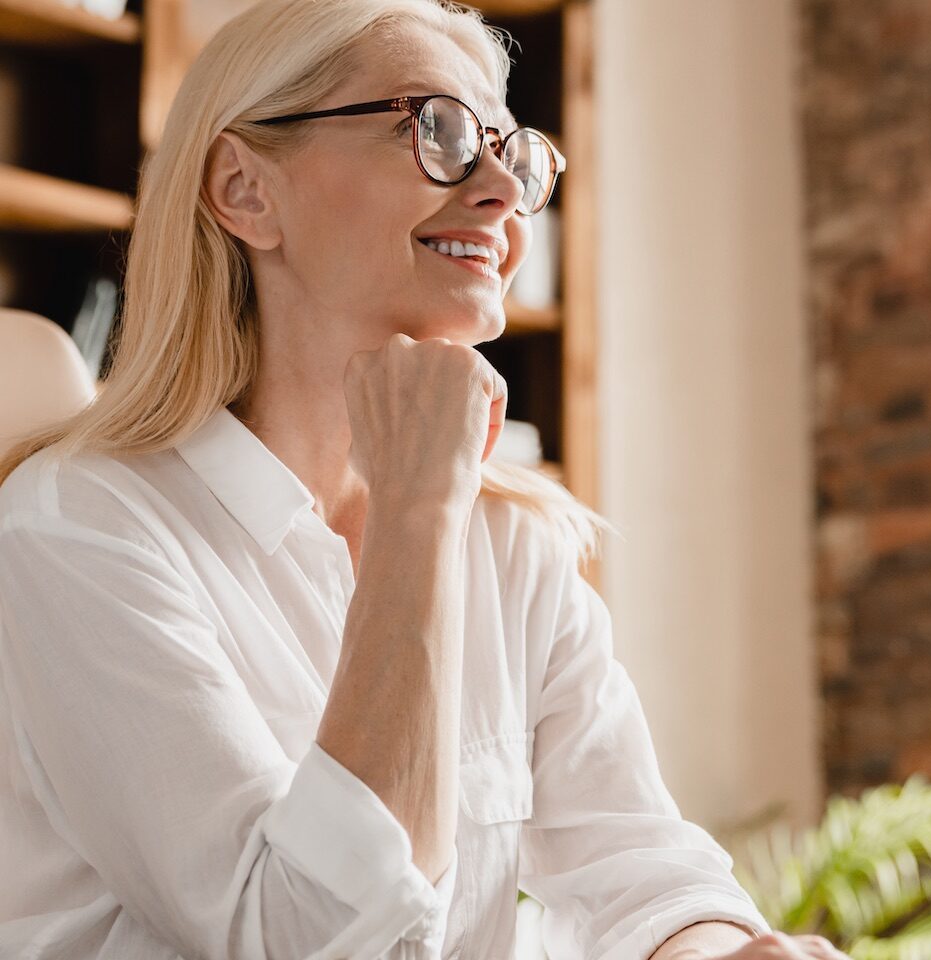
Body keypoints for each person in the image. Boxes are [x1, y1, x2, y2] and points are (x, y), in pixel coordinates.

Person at [0, 1, 847, 958]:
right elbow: (301, 939)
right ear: (244, 190)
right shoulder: (77, 532)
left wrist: (728, 951)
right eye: (433, 130)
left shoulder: (515, 542)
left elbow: (641, 870)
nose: (500, 192)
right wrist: (414, 513)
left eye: (512, 154)